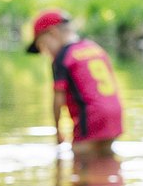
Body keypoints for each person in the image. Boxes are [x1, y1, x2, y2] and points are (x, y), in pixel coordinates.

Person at [27, 9, 124, 159]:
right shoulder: (93, 48)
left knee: (80, 161)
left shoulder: (62, 58)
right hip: (114, 115)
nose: (45, 53)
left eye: (42, 46)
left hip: (91, 117)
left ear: (52, 33)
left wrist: (57, 131)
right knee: (105, 159)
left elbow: (58, 98)